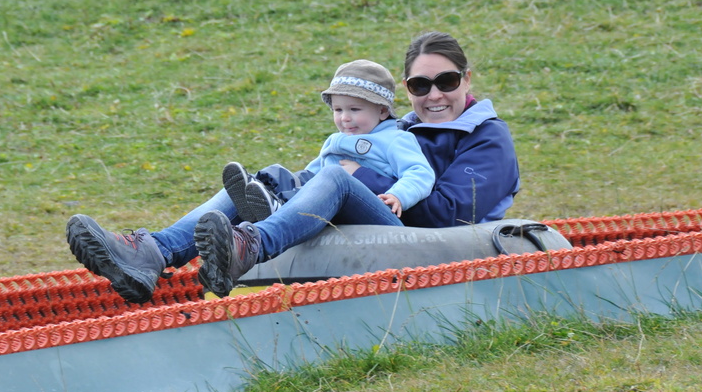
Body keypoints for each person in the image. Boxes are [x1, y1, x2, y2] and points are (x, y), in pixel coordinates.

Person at [67, 31, 520, 303]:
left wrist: (360, 179)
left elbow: (450, 215)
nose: (434, 94)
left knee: (336, 175)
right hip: (372, 221)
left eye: (447, 81)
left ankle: (250, 243)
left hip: (430, 242)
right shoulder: (397, 129)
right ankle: (153, 253)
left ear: (466, 79)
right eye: (422, 85)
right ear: (406, 90)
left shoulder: (487, 137)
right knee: (260, 181)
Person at [223, 59, 435, 223]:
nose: (345, 118)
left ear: (382, 111)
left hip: (361, 204)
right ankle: (257, 194)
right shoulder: (336, 140)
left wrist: (398, 195)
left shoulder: (395, 139)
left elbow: (420, 172)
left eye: (354, 109)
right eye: (338, 110)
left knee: (324, 180)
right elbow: (313, 173)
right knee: (279, 174)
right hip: (325, 197)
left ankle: (279, 205)